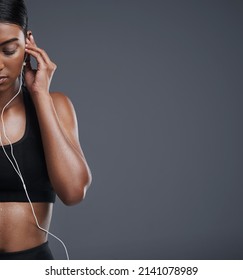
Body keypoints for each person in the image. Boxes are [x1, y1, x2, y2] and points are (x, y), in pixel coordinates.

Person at [0, 0, 92, 260]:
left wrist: (40, 95)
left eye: (8, 50)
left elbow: (73, 192)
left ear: (28, 44)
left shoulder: (55, 106)